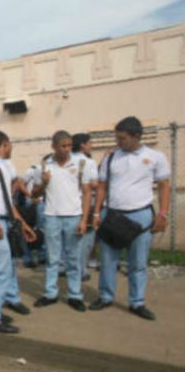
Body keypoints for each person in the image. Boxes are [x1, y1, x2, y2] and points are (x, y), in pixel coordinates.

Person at [91, 116, 171, 321]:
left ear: (136, 136)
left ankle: (137, 302)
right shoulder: (111, 158)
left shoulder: (155, 157)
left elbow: (164, 186)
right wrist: (97, 212)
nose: (118, 142)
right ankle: (105, 296)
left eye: (122, 138)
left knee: (138, 263)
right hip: (113, 215)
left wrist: (162, 214)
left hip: (141, 216)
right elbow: (101, 186)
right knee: (108, 260)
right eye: (117, 138)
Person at [0, 131, 36, 334]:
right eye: (10, 145)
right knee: (1, 270)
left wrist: (24, 224)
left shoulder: (2, 166)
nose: (11, 148)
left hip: (4, 220)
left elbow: (8, 203)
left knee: (0, 268)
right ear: (4, 144)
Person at [30, 130, 93, 312]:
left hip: (73, 216)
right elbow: (34, 195)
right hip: (52, 217)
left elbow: (87, 192)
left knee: (73, 258)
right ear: (54, 146)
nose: (67, 149)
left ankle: (75, 295)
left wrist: (84, 219)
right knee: (52, 258)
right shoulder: (43, 166)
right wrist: (43, 183)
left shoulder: (81, 163)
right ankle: (50, 293)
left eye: (69, 145)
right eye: (63, 146)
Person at [72, 133, 99, 281]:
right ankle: (81, 270)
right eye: (90, 143)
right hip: (85, 203)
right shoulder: (88, 162)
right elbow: (94, 184)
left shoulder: (65, 160)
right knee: (86, 240)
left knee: (71, 241)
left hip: (69, 206)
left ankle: (70, 268)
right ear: (82, 145)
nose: (92, 146)